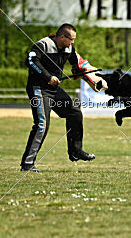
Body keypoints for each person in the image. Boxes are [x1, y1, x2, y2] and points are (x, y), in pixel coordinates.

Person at [20, 23, 97, 172]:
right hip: (39, 89)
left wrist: (79, 72)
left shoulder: (69, 48)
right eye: (71, 39)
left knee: (74, 112)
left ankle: (75, 151)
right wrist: (48, 77)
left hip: (54, 89)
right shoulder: (43, 45)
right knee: (42, 125)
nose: (72, 43)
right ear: (62, 37)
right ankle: (27, 164)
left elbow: (76, 63)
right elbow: (31, 61)